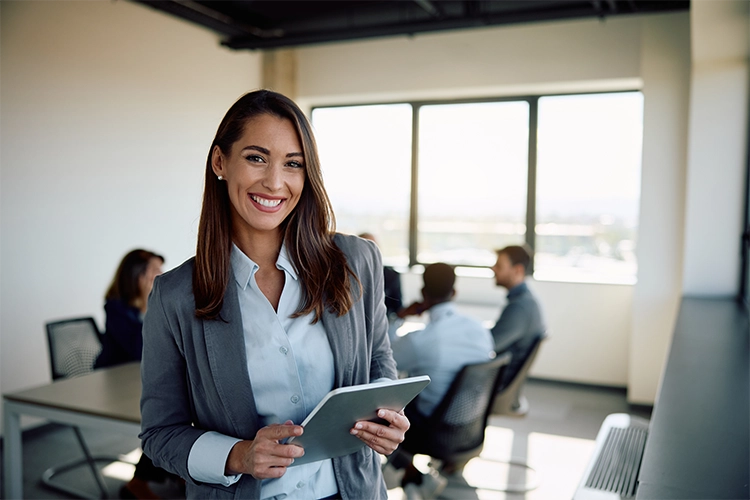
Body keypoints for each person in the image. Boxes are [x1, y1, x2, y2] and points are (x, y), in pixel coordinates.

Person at [139, 90, 408, 500]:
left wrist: (387, 417)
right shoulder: (175, 295)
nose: (275, 182)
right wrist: (238, 456)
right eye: (256, 157)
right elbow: (160, 434)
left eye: (293, 164)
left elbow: (376, 359)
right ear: (219, 163)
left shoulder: (357, 261)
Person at [390, 262, 494, 498]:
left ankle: (409, 473)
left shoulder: (421, 340)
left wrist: (398, 317)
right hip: (471, 423)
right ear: (454, 293)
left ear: (424, 295)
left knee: (384, 411)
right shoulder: (479, 329)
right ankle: (430, 472)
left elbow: (381, 358)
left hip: (432, 431)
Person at [93, 249, 176, 500]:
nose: (161, 276)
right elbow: (140, 348)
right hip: (113, 382)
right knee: (163, 415)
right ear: (137, 276)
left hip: (140, 378)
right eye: (154, 271)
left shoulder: (155, 303)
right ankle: (138, 483)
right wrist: (151, 304)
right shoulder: (117, 307)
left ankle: (176, 471)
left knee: (178, 408)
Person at [490, 245, 547, 393]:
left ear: (518, 270)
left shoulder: (520, 307)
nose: (493, 269)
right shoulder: (524, 300)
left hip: (497, 383)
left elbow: (489, 344)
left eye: (499, 266)